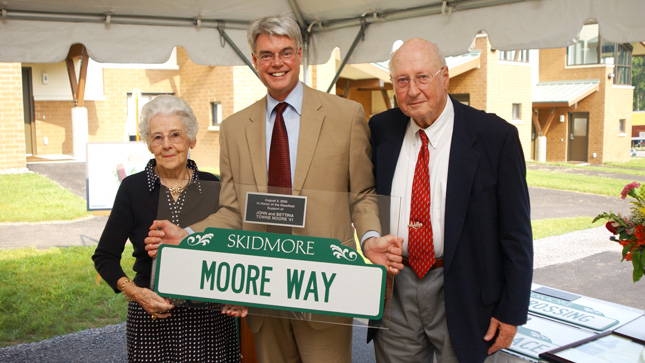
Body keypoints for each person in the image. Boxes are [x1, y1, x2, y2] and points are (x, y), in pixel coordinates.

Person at [144, 15, 403, 363]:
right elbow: (234, 211)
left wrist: (370, 238)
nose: (276, 62)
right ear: (254, 60)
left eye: (284, 52)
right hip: (260, 295)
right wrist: (188, 235)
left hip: (324, 289)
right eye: (266, 54)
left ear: (299, 54)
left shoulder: (347, 115)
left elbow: (362, 195)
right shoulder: (235, 129)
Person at [368, 38, 533, 362]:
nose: (412, 90)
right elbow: (363, 197)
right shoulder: (381, 130)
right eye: (402, 80)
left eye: (422, 77)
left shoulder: (495, 137)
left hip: (465, 290)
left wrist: (512, 310)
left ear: (445, 77)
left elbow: (516, 234)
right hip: (396, 288)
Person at [92, 95, 240, 362]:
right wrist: (136, 294)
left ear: (191, 140)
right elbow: (104, 257)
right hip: (152, 316)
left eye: (175, 135)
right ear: (149, 144)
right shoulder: (132, 189)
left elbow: (232, 247)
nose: (167, 145)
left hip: (208, 320)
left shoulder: (214, 187)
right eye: (157, 137)